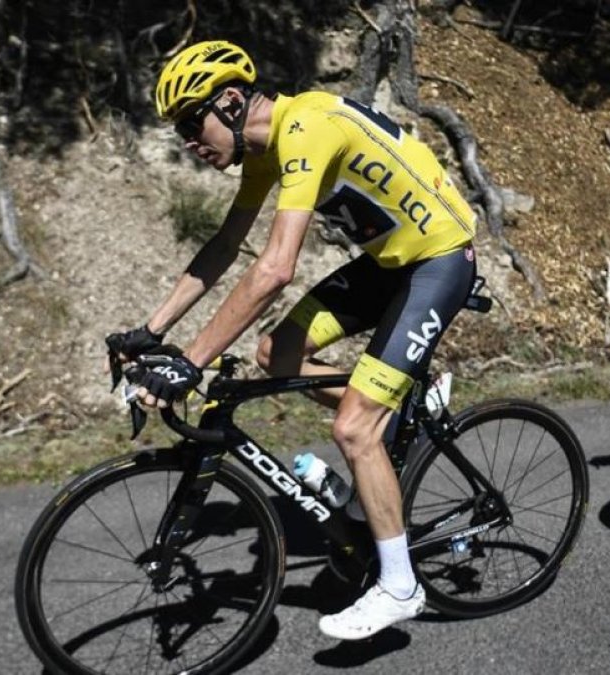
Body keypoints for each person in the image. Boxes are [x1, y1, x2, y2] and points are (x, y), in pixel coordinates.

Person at [107, 40, 478, 639]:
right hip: (390, 264)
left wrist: (190, 363)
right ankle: (405, 407)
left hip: (437, 261)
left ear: (229, 101)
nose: (187, 142)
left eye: (190, 122)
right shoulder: (262, 150)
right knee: (274, 354)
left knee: (354, 428)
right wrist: (151, 331)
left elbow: (275, 269)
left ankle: (400, 587)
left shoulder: (306, 127)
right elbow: (226, 247)